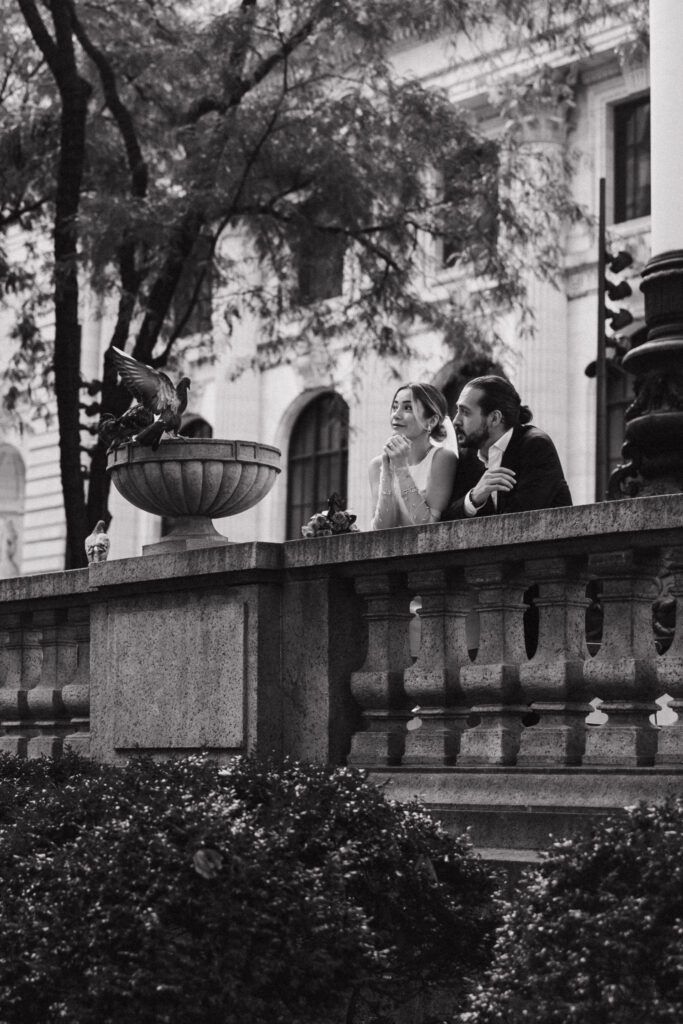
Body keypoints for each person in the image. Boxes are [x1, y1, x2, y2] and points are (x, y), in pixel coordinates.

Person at [443, 375, 572, 519]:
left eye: (465, 412)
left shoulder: (536, 447)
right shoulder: (468, 455)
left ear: (495, 418)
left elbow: (521, 521)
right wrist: (474, 498)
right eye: (458, 411)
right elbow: (446, 518)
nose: (456, 421)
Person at [370, 382, 458, 529]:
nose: (396, 415)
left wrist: (401, 468)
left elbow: (427, 524)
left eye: (408, 408)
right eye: (394, 406)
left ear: (432, 421)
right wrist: (387, 469)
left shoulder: (443, 458)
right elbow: (381, 528)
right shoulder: (377, 465)